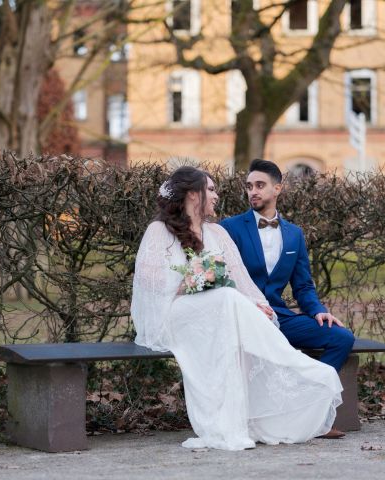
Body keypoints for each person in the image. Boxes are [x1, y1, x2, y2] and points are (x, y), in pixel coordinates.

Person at [131, 166, 343, 451]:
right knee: (227, 300)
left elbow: (240, 279)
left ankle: (245, 417)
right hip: (177, 314)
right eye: (211, 190)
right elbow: (150, 281)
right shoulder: (158, 231)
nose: (217, 196)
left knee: (231, 306)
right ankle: (289, 368)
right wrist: (191, 278)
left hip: (220, 315)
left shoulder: (217, 233)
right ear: (193, 195)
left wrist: (260, 306)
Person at [220, 159, 356, 375]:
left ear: (277, 189)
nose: (252, 191)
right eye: (249, 186)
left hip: (279, 317)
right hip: (242, 318)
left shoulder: (294, 234)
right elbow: (221, 278)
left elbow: (303, 286)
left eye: (260, 185)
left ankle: (313, 395)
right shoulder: (228, 227)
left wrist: (318, 311)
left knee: (342, 338)